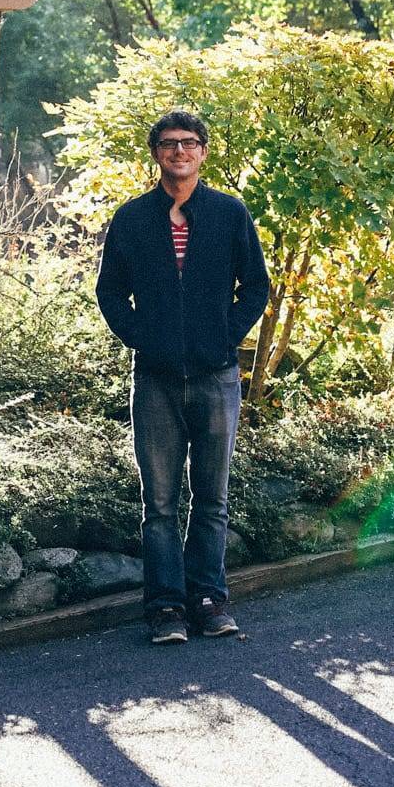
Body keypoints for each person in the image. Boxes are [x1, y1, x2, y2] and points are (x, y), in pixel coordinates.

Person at [96, 108, 270, 644]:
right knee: (161, 503)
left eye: (189, 143)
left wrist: (224, 338)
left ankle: (210, 601)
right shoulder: (132, 219)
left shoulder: (228, 214)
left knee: (212, 498)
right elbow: (109, 293)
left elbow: (256, 287)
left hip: (217, 376)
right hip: (156, 380)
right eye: (169, 143)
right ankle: (166, 608)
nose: (179, 152)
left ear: (203, 152)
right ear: (156, 153)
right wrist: (143, 338)